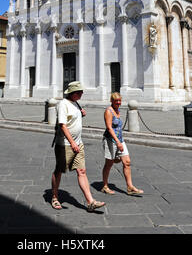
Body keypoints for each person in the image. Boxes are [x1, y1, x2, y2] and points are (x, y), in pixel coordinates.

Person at [51, 81, 105, 213]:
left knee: (82, 171)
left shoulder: (75, 103)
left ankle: (90, 201)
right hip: (65, 145)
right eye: (79, 92)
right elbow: (63, 125)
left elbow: (72, 119)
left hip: (78, 143)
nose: (81, 94)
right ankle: (54, 197)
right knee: (59, 171)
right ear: (72, 93)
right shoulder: (63, 104)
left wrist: (81, 113)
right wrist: (73, 143)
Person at [101, 92, 144, 196]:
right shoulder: (108, 111)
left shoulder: (118, 110)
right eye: (116, 101)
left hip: (120, 140)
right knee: (109, 163)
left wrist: (120, 141)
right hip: (111, 140)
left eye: (120, 101)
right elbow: (109, 128)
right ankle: (105, 186)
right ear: (112, 101)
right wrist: (117, 142)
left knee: (127, 162)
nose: (118, 103)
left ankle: (130, 187)